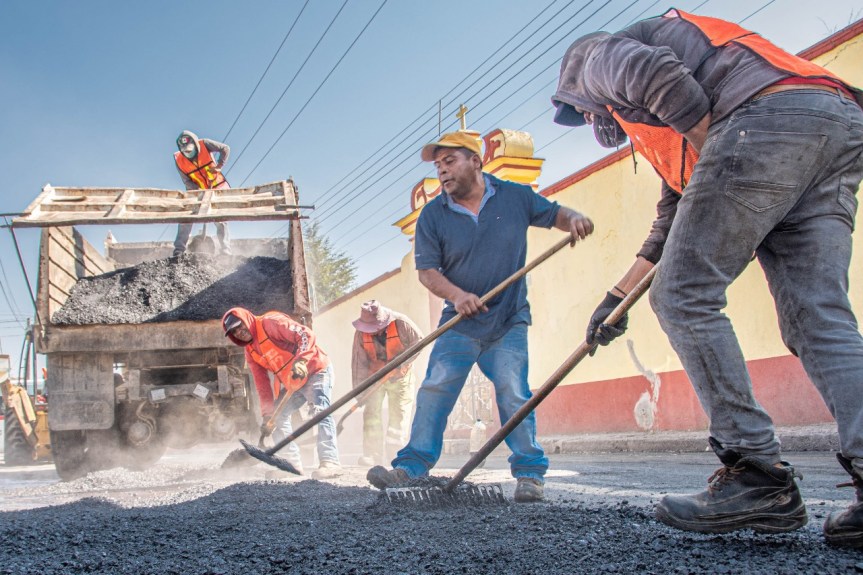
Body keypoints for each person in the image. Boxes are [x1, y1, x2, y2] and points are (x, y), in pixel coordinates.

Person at [552, 8, 863, 545]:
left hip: (765, 119)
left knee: (683, 296)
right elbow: (676, 218)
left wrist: (718, 147)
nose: (597, 125)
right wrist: (615, 298)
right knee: (819, 317)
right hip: (833, 120)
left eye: (588, 116)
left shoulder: (594, 55)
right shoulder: (674, 129)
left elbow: (655, 74)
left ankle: (758, 474)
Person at [366, 131, 594, 502]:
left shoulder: (515, 197)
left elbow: (554, 214)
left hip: (508, 321)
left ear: (475, 161)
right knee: (435, 389)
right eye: (438, 166)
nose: (442, 171)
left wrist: (576, 219)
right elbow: (427, 272)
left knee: (513, 392)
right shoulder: (433, 216)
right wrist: (458, 296)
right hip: (460, 324)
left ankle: (530, 474)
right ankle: (411, 467)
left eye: (449, 161)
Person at [222, 307, 341, 479]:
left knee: (319, 410)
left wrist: (301, 361)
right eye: (234, 331)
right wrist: (267, 415)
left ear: (247, 320)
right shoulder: (250, 352)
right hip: (293, 381)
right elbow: (262, 385)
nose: (239, 332)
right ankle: (291, 465)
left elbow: (305, 335)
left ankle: (330, 462)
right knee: (276, 418)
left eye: (240, 326)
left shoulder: (271, 322)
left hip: (315, 370)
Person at [351, 300, 423, 467]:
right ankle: (372, 455)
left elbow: (419, 342)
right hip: (375, 378)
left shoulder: (401, 323)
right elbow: (358, 362)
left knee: (399, 416)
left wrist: (401, 363)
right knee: (371, 414)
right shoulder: (361, 332)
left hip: (401, 378)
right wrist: (360, 392)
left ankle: (395, 454)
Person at [173, 130, 232, 257]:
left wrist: (219, 166)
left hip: (216, 187)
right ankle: (179, 251)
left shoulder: (205, 144)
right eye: (185, 151)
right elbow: (186, 181)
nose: (188, 153)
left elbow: (225, 148)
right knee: (186, 217)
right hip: (197, 191)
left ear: (195, 145)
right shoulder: (179, 159)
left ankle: (225, 250)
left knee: (220, 218)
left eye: (190, 150)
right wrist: (200, 193)